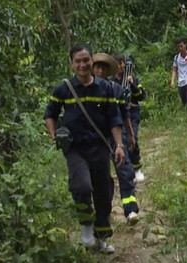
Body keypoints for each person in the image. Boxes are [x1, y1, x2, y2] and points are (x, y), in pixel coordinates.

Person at [43, 44, 126, 254]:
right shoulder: (63, 88)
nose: (82, 65)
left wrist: (119, 145)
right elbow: (50, 114)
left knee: (103, 192)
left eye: (86, 60)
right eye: (78, 61)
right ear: (72, 64)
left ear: (92, 60)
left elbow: (115, 119)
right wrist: (54, 135)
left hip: (99, 148)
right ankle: (86, 226)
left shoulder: (106, 88)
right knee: (81, 187)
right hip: (75, 149)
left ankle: (103, 236)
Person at [91, 52, 141, 226]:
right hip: (97, 140)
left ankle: (130, 209)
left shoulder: (115, 89)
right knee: (102, 179)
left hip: (117, 136)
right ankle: (104, 212)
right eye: (97, 66)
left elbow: (125, 114)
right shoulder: (85, 91)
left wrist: (131, 136)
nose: (100, 70)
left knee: (125, 172)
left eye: (103, 67)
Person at [111, 53, 147, 182]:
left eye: (122, 63)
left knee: (133, 139)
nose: (120, 66)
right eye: (118, 63)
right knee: (122, 142)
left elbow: (141, 97)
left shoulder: (132, 78)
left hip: (132, 113)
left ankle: (137, 168)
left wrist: (132, 85)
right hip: (118, 115)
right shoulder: (110, 82)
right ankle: (127, 170)